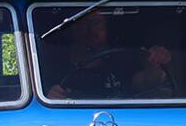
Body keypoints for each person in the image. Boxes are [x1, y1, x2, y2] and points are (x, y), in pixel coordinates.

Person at [45, 10, 174, 100]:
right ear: (71, 31)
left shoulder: (122, 59)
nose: (91, 31)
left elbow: (145, 82)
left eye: (97, 24)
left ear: (106, 28)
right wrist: (51, 95)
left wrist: (155, 62)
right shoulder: (54, 66)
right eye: (83, 25)